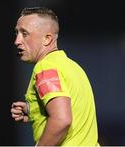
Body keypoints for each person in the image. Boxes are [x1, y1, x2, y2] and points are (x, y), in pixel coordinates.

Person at [11, 7, 99, 146]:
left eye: (25, 34)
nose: (17, 41)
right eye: (17, 33)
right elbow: (72, 109)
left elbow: (61, 120)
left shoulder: (45, 68)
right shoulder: (73, 67)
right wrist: (33, 109)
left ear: (47, 39)